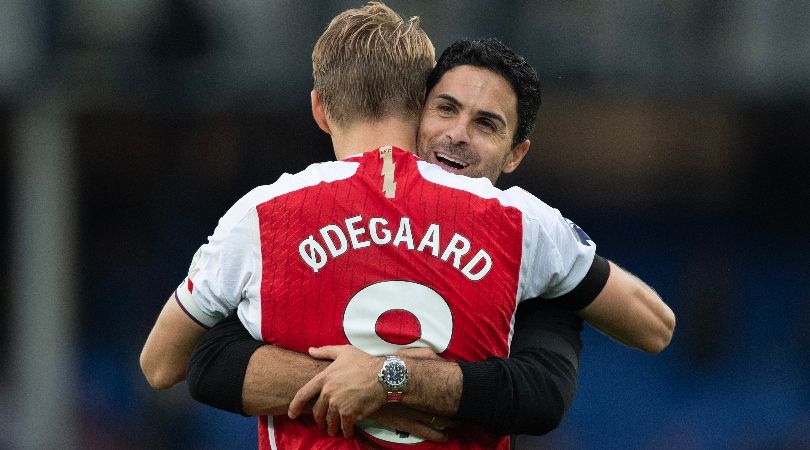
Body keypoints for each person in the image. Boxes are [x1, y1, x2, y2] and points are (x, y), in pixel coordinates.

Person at [140, 3, 675, 449]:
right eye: (449, 110)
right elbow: (655, 326)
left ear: (320, 110)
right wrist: (385, 383)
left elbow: (162, 365)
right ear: (419, 105)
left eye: (486, 124)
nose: (458, 135)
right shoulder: (523, 224)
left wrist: (380, 380)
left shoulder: (260, 216)